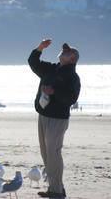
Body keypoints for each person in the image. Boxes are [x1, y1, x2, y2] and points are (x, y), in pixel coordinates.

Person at [28, 39, 81, 198]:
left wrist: (53, 92)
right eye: (63, 50)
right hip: (43, 115)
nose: (63, 52)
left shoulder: (72, 77)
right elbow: (32, 62)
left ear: (72, 59)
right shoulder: (51, 69)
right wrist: (40, 47)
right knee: (46, 153)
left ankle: (56, 190)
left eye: (67, 52)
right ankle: (56, 187)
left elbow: (71, 98)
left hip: (58, 119)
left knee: (53, 153)